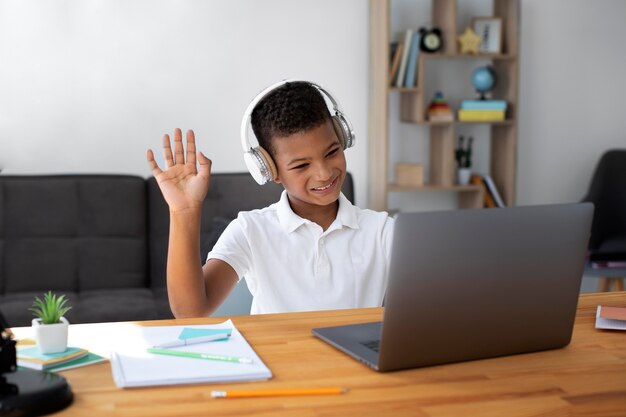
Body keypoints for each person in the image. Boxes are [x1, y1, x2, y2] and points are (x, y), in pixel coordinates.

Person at [147, 80, 394, 318]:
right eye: (301, 165)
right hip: (274, 360)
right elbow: (190, 311)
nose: (324, 173)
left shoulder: (382, 231)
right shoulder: (250, 230)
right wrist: (184, 212)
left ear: (343, 138)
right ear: (268, 170)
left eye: (332, 152)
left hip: (352, 362)